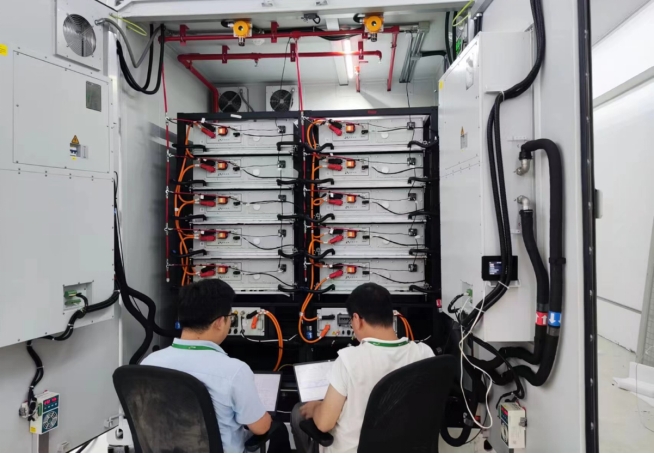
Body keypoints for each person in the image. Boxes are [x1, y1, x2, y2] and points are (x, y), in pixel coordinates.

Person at [141, 279, 289, 453]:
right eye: (230, 318)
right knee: (278, 430)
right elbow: (260, 428)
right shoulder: (234, 371)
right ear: (219, 322)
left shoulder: (149, 363)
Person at [291, 283, 435, 453]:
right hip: (406, 448)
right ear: (391, 316)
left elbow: (324, 424)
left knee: (298, 412)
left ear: (357, 319)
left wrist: (316, 407)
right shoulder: (424, 353)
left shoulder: (349, 359)